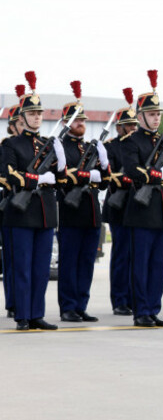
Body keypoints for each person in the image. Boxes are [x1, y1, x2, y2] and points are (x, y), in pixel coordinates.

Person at [2, 71, 67, 330]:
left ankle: (37, 313)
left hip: (44, 211)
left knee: (41, 268)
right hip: (21, 211)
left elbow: (59, 180)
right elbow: (7, 175)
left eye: (39, 114)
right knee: (22, 267)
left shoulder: (48, 144)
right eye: (32, 114)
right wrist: (37, 179)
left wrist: (61, 163)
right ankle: (23, 315)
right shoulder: (11, 145)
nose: (37, 117)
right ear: (22, 117)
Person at [122, 70, 163, 328]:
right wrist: (158, 174)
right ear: (140, 115)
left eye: (158, 114)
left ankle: (153, 309)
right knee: (141, 264)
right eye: (151, 114)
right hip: (142, 209)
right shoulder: (131, 141)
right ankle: (141, 312)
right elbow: (132, 170)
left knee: (158, 264)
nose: (156, 118)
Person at [57, 81, 110, 323]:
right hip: (71, 212)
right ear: (67, 123)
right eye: (77, 121)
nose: (81, 124)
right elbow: (63, 178)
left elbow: (106, 181)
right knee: (69, 263)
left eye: (83, 120)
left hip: (91, 213)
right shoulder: (60, 148)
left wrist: (104, 163)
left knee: (87, 263)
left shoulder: (90, 147)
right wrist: (88, 175)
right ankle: (68, 306)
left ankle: (81, 305)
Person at [103, 88, 139, 316]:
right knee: (121, 255)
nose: (133, 129)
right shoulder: (111, 146)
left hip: (137, 206)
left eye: (135, 125)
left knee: (136, 256)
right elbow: (109, 174)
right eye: (129, 125)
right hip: (119, 205)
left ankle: (132, 296)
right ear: (119, 126)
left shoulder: (138, 146)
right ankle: (119, 300)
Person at [1, 85, 26, 319]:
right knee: (12, 258)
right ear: (12, 126)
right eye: (19, 124)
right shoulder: (6, 146)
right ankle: (12, 301)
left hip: (28, 205)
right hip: (10, 204)